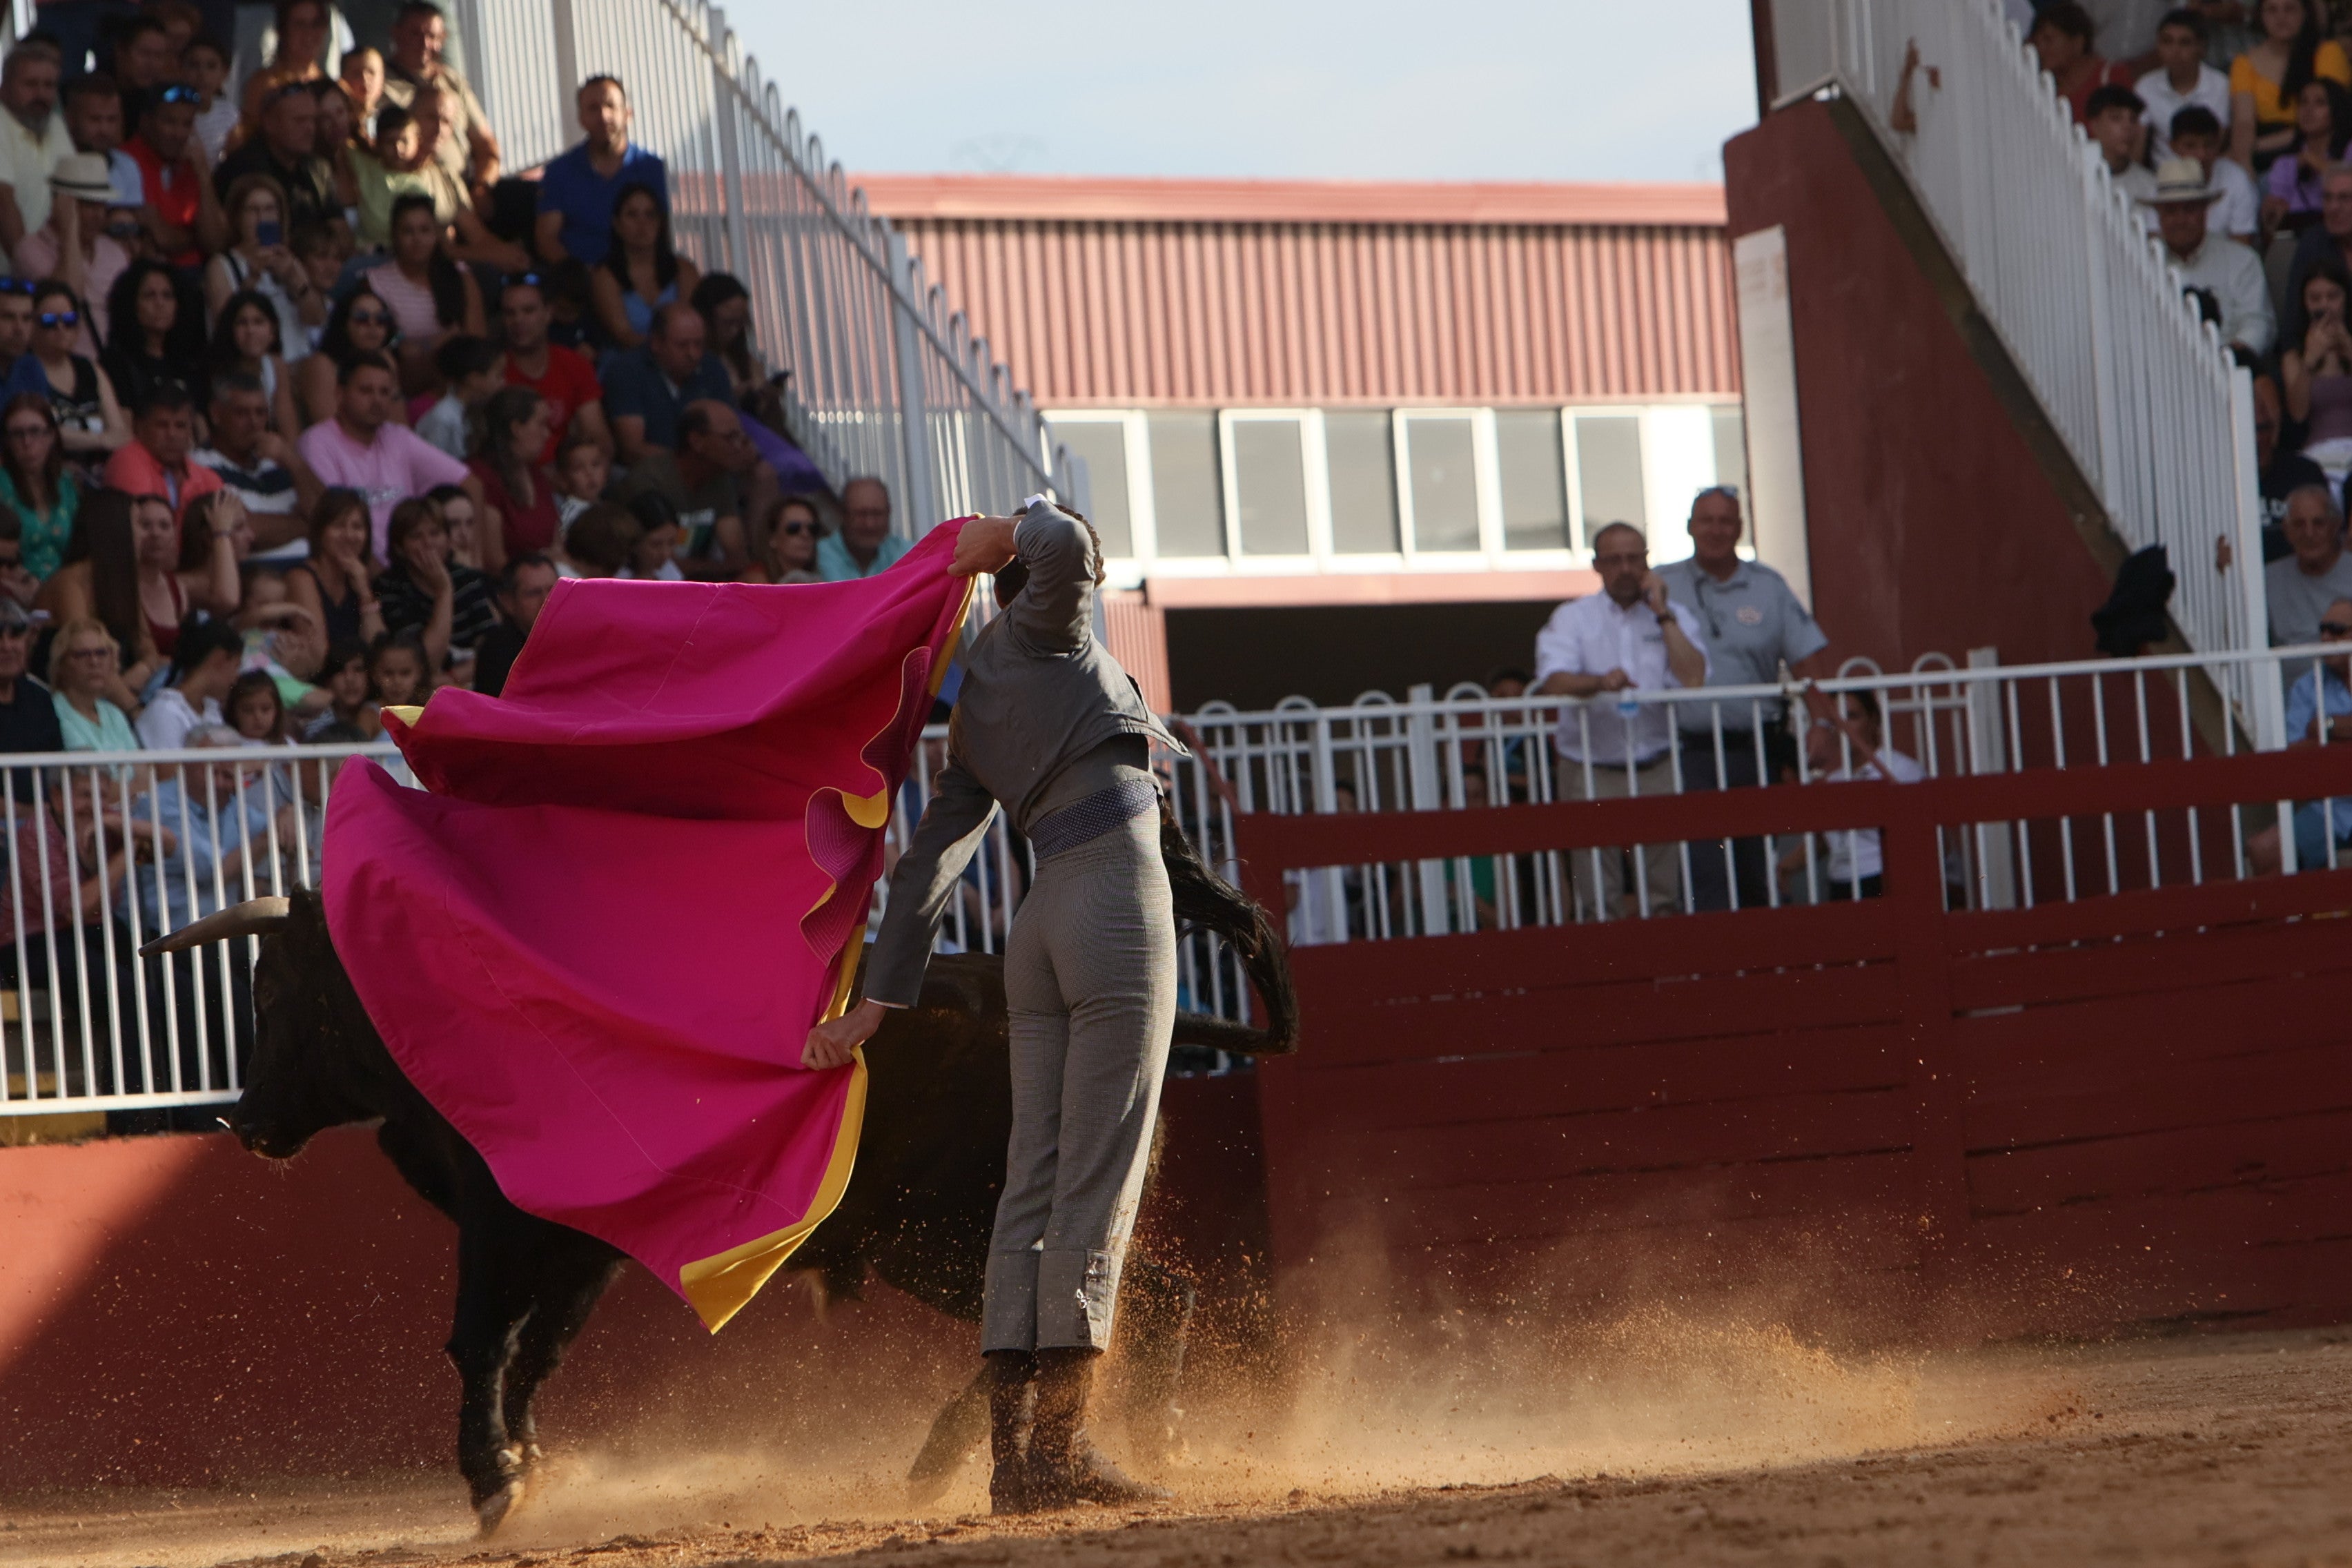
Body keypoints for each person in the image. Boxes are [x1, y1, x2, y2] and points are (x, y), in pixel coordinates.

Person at [804, 499, 1184, 1516]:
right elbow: (1067, 547)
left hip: (1041, 920)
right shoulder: (1045, 630)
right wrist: (1010, 537)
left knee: (1032, 1186)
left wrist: (879, 1002)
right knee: (1093, 1181)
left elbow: (930, 863)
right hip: (1112, 908)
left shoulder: (975, 702)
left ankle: (1016, 1460)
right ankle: (1058, 1451)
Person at [1656, 487, 1834, 912]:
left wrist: (1821, 724)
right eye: (1707, 520)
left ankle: (1759, 966)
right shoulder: (1661, 583)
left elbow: (1805, 661)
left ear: (1739, 529)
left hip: (1755, 748)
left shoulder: (1769, 586)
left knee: (1756, 864)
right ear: (1689, 527)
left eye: (1726, 521)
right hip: (1686, 751)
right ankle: (1717, 967)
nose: (1716, 530)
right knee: (1703, 867)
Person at [1530, 520, 1709, 921]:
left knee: (1664, 895)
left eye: (1635, 558)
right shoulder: (1573, 617)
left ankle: (1667, 979)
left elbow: (1694, 677)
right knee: (1597, 898)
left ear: (1647, 562)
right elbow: (1553, 681)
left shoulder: (1674, 616)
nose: (1626, 568)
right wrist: (1598, 683)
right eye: (1614, 560)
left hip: (1657, 765)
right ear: (1597, 565)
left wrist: (1662, 613)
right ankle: (1610, 981)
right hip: (1590, 770)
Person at [295, 350, 475, 558]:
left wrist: (475, 559)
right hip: (360, 570)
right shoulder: (317, 442)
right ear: (340, 394)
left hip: (413, 567)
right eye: (366, 391)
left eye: (384, 392)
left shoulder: (397, 437)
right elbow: (336, 529)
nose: (377, 400)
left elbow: (470, 484)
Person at [1782, 691, 1924, 901]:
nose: (1844, 727)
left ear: (1874, 720)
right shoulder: (1836, 781)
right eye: (1836, 720)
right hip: (1840, 882)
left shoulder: (1901, 770)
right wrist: (1785, 868)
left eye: (1852, 717)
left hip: (1882, 877)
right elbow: (1824, 840)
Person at [35, 489, 161, 696]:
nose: (146, 535)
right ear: (116, 528)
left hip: (112, 696)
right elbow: (88, 658)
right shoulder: (69, 583)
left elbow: (148, 649)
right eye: (140, 524)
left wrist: (143, 669)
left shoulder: (121, 583)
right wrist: (134, 710)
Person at [2144, 157, 2275, 354]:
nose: (2180, 220)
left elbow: (2258, 325)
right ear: (2159, 215)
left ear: (2205, 211)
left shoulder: (2242, 260)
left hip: (2228, 370)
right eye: (2171, 211)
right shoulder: (2144, 263)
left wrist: (2226, 360)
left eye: (2189, 209)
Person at [533, 75, 665, 268]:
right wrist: (582, 278)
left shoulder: (653, 169)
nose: (604, 116)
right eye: (594, 108)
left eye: (611, 106)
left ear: (628, 114)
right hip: (581, 285)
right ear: (581, 119)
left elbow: (665, 233)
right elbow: (547, 239)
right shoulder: (559, 172)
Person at [613, 398, 752, 576]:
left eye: (742, 436)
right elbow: (656, 562)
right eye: (731, 437)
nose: (742, 446)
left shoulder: (719, 478)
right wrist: (719, 567)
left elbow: (737, 557)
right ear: (697, 441)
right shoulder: (650, 480)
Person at [379, 1, 500, 202]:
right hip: (415, 195)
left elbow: (486, 145)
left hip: (466, 190)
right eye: (416, 34)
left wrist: (482, 188)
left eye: (433, 36)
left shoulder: (453, 82)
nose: (425, 44)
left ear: (443, 39)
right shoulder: (381, 85)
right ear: (396, 34)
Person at [196, 369, 318, 562]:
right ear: (216, 414)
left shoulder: (279, 460)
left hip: (310, 573)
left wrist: (292, 461)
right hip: (256, 578)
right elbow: (246, 530)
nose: (254, 423)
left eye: (261, 413)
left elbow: (328, 516)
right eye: (242, 413)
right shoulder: (201, 465)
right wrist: (308, 525)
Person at [15, 153, 129, 356]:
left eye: (102, 205)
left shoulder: (115, 253)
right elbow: (69, 297)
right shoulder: (30, 250)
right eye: (88, 205)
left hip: (108, 367)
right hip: (57, 364)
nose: (99, 215)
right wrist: (69, 229)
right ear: (61, 204)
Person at [364, 191, 482, 381]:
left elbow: (477, 344)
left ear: (436, 233)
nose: (417, 240)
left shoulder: (461, 277)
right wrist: (440, 341)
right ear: (395, 235)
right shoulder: (376, 283)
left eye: (425, 230)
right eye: (408, 231)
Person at [206, 171, 322, 357]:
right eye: (253, 210)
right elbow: (225, 326)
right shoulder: (222, 265)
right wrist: (252, 278)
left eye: (270, 210)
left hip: (298, 359)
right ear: (237, 217)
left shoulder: (289, 260)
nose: (262, 218)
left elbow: (316, 318)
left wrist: (296, 281)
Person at [601, 300, 731, 463]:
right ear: (656, 343)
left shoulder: (712, 367)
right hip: (651, 474)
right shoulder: (626, 371)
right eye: (682, 345)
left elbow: (731, 430)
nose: (693, 354)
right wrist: (692, 464)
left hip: (711, 468)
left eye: (699, 344)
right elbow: (633, 449)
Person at [498, 272, 609, 460]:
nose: (518, 320)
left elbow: (600, 439)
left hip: (575, 473)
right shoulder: (494, 373)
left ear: (548, 313)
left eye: (528, 311)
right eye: (510, 313)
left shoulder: (575, 364)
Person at [2231, 0, 2351, 170]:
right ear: (2260, 16)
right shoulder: (2244, 63)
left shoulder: (2328, 52)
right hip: (2263, 156)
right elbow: (2244, 122)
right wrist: (2244, 162)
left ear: (2305, 14)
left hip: (2317, 150)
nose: (2281, 17)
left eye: (2290, 9)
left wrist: (2258, 145)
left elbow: (2333, 116)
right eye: (2272, 10)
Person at [375, 493, 491, 669]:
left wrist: (457, 677)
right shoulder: (388, 588)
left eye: (435, 533)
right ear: (399, 548)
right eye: (416, 536)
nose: (428, 543)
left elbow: (492, 649)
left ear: (448, 539)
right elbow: (425, 662)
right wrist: (443, 590)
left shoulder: (469, 579)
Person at [212, 76, 337, 237]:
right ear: (270, 123)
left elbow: (341, 236)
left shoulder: (318, 168)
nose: (310, 129)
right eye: (300, 121)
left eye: (313, 120)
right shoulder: (244, 169)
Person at [122, 81, 226, 272]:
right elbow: (163, 239)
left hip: (197, 273)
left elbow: (215, 242)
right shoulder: (127, 161)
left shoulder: (191, 162)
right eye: (169, 122)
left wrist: (203, 174)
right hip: (153, 274)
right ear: (146, 122)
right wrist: (195, 235)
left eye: (187, 124)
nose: (179, 134)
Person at [590, 182, 699, 351]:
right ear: (617, 224)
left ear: (660, 223)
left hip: (682, 360)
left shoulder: (684, 270)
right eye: (632, 215)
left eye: (650, 215)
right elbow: (623, 334)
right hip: (627, 363)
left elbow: (692, 327)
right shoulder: (604, 275)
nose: (642, 224)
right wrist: (665, 350)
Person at [26, 280, 126, 460]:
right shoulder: (23, 370)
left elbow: (119, 432)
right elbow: (40, 434)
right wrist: (101, 440)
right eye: (49, 321)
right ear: (31, 325)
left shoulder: (91, 369)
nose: (61, 328)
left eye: (69, 320)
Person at [104, 380, 222, 528]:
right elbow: (148, 531)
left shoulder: (208, 478)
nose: (172, 434)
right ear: (138, 427)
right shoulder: (126, 461)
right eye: (162, 425)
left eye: (180, 426)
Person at [469, 385, 557, 571]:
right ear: (517, 428)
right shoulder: (482, 478)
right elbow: (494, 561)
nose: (547, 434)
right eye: (541, 424)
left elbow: (556, 541)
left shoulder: (537, 475)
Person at [286, 486, 384, 650]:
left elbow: (378, 650)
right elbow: (316, 650)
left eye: (357, 527)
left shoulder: (360, 579)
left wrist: (365, 594)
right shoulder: (300, 577)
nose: (349, 535)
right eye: (339, 526)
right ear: (321, 532)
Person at [0, 40, 72, 257]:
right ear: (4, 88)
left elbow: (69, 196)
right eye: (31, 84)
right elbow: (3, 202)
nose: (40, 94)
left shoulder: (54, 124)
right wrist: (31, 268)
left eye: (49, 85)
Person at [2284, 255, 2352, 487]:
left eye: (2333, 296)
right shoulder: (2294, 356)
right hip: (2319, 456)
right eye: (2315, 299)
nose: (2324, 306)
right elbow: (2298, 413)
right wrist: (2309, 362)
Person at [101, 259, 199, 416]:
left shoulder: (188, 364)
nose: (160, 303)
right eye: (149, 296)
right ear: (131, 304)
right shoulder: (115, 364)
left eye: (167, 296)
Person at [0, 393, 81, 579]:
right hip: (14, 589)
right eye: (17, 434)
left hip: (64, 587)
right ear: (7, 441)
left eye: (35, 431)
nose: (27, 442)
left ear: (51, 435)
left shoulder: (66, 483)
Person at [135, 611, 242, 750]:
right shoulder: (165, 713)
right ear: (219, 659)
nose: (236, 677)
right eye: (236, 666)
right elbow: (167, 771)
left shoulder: (212, 712)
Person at [2139, 8, 2236, 161]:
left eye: (2185, 43)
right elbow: (2137, 149)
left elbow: (2219, 143)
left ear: (2201, 48)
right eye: (2167, 42)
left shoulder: (2221, 85)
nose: (2175, 51)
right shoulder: (2145, 87)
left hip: (2209, 175)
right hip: (2160, 179)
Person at [297, 281, 397, 429]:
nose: (372, 325)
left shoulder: (386, 360)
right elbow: (329, 428)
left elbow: (398, 425)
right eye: (362, 318)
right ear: (344, 323)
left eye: (381, 319)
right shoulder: (322, 364)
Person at [2260, 77, 2352, 237]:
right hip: (2298, 242)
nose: (2308, 110)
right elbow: (2275, 230)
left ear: (2337, 110)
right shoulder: (2285, 164)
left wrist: (2316, 162)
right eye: (2303, 102)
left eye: (2320, 103)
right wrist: (2272, 214)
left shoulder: (2349, 150)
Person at [204, 288, 302, 437]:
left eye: (258, 322)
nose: (251, 330)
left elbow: (290, 432)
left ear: (272, 332)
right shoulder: (218, 370)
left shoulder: (276, 366)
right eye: (242, 323)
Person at [2251, 368, 2325, 561]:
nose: (2257, 439)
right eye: (2249, 430)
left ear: (2274, 429)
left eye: (2263, 428)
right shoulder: (2217, 483)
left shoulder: (2304, 474)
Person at [2267, 483, 2352, 643]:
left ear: (2335, 526)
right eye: (2299, 525)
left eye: (2318, 523)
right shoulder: (2267, 580)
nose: (2309, 533)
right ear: (2286, 530)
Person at [235, 0, 332, 136]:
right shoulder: (263, 86)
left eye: (316, 24)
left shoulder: (329, 86)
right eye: (300, 25)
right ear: (283, 31)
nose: (309, 33)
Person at [2166, 104, 2262, 242]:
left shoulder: (2238, 179)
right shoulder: (2162, 182)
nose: (2201, 155)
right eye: (2191, 146)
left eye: (2209, 145)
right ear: (2173, 146)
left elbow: (2242, 245)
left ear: (2218, 143)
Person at [48, 614, 141, 750]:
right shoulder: (54, 712)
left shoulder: (114, 714)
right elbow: (86, 770)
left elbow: (140, 768)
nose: (94, 662)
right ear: (62, 664)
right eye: (82, 654)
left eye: (101, 653)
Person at [470, 551, 555, 699]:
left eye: (553, 590)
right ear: (508, 602)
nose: (547, 600)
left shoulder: (578, 637)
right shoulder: (496, 651)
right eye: (533, 593)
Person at [2030, 1, 2133, 124]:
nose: (2040, 48)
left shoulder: (2113, 78)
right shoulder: (2039, 88)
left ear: (2078, 43)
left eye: (2049, 40)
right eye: (2037, 42)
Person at [61, 71, 140, 213]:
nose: (104, 130)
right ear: (70, 119)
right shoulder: (53, 164)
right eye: (95, 120)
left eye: (111, 120)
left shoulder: (127, 166)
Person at [415, 332, 496, 461]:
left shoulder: (474, 411)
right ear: (474, 379)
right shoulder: (443, 418)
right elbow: (432, 464)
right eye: (498, 375)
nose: (503, 381)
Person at [817, 476, 910, 580]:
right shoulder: (817, 556)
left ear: (889, 513)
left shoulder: (905, 552)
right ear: (843, 514)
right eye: (861, 514)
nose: (869, 524)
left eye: (877, 514)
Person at [2088, 85, 2159, 206]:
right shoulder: (2076, 177)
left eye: (2133, 119)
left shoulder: (2150, 186)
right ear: (2095, 125)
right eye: (2116, 118)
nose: (2127, 127)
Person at [300, 636, 379, 742]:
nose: (349, 679)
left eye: (358, 670)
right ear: (328, 681)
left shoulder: (380, 713)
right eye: (340, 671)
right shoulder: (318, 723)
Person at [184, 35, 238, 169]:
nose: (202, 74)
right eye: (194, 66)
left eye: (211, 66)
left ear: (225, 73)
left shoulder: (230, 113)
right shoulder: (173, 114)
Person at [745, 492, 824, 584]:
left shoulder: (818, 578)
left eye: (812, 529)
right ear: (772, 538)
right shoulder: (755, 581)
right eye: (794, 528)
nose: (805, 535)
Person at [366, 626, 432, 710]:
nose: (397, 681)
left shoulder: (429, 709)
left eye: (405, 673)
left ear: (419, 672)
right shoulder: (369, 715)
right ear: (375, 675)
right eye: (388, 673)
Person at [550, 430, 607, 527]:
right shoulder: (570, 516)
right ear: (563, 479)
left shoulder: (604, 506)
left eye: (595, 464)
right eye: (578, 468)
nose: (590, 473)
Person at [340, 46, 385, 144]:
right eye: (356, 74)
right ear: (343, 79)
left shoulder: (388, 124)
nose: (365, 79)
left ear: (382, 79)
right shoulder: (338, 125)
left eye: (371, 73)